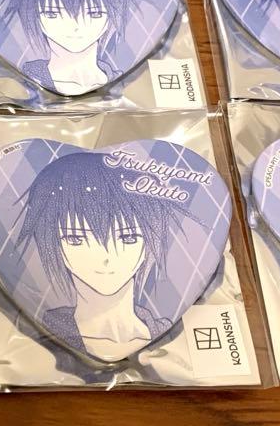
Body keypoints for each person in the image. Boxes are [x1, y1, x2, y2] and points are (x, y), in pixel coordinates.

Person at [17, 151, 183, 362]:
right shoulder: (41, 329)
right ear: (54, 243)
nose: (105, 256)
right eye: (76, 238)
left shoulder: (167, 331)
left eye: (128, 237)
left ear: (148, 243)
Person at [6, 0, 137, 96]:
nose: (75, 26)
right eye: (52, 14)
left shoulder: (123, 82)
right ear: (35, 15)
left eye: (95, 13)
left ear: (110, 17)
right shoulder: (23, 80)